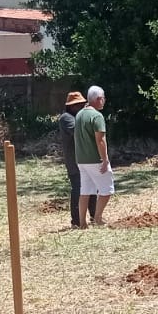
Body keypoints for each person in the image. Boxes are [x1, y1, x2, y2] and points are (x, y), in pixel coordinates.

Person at [58, 92, 99, 228]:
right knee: (78, 189)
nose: (83, 107)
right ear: (72, 106)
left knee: (92, 189)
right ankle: (76, 221)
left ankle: (94, 217)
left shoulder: (78, 117)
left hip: (86, 159)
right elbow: (79, 132)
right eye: (80, 105)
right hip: (75, 162)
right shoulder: (66, 118)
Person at [74, 86, 113, 228]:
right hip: (95, 160)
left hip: (81, 160)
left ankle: (82, 223)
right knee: (107, 190)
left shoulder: (79, 115)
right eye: (103, 98)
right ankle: (97, 218)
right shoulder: (97, 116)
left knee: (85, 191)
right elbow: (100, 140)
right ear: (98, 99)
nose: (104, 101)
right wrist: (105, 160)